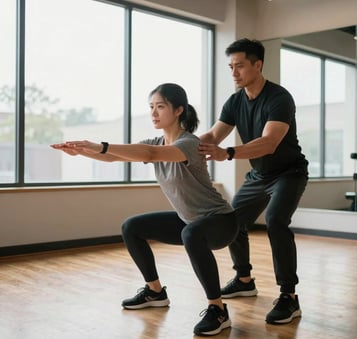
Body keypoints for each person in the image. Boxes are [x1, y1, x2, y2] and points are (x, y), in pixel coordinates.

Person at [51, 83, 238, 337]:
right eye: (151, 107)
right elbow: (116, 157)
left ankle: (218, 310)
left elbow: (150, 153)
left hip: (221, 222)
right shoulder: (157, 141)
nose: (153, 113)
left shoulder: (189, 143)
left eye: (160, 107)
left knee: (191, 234)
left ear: (179, 110)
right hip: (189, 220)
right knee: (132, 227)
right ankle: (155, 291)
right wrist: (84, 151)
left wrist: (99, 145)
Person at [199, 38, 309, 325]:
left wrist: (228, 153)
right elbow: (212, 137)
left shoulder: (278, 98)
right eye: (230, 67)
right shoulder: (235, 101)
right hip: (259, 175)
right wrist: (179, 148)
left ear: (257, 65)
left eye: (240, 66)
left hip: (288, 173)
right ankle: (244, 279)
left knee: (275, 220)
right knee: (232, 221)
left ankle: (289, 296)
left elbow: (270, 142)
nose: (234, 73)